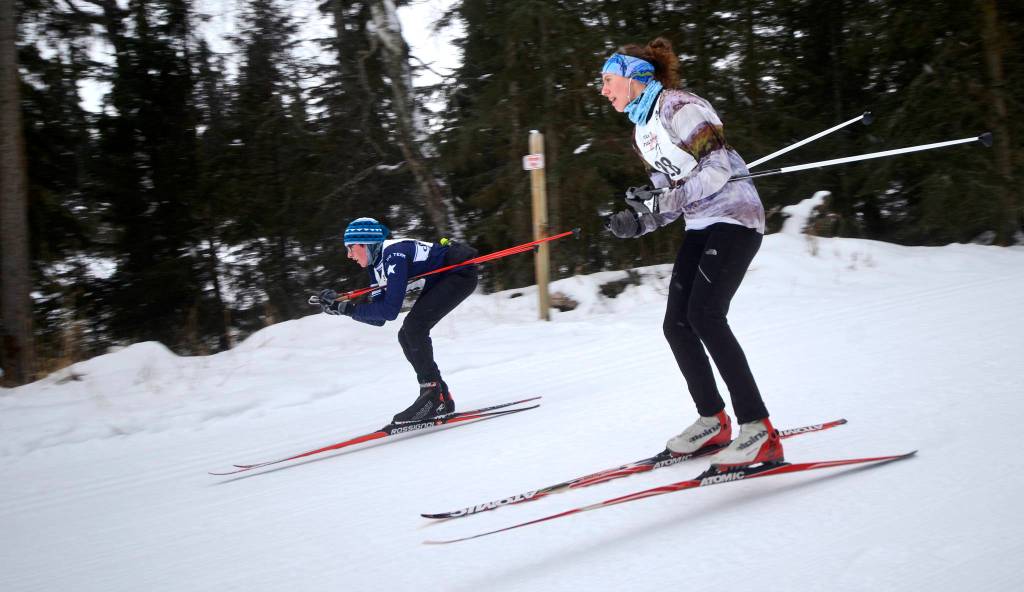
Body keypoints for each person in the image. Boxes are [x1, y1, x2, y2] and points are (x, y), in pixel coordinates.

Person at [600, 38, 782, 469]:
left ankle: (759, 430)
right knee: (677, 324)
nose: (603, 90)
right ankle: (713, 421)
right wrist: (640, 220)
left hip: (735, 217)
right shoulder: (643, 130)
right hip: (701, 223)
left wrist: (661, 203)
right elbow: (669, 194)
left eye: (608, 80)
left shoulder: (679, 107)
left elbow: (717, 169)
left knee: (705, 315)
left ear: (634, 76)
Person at [318, 217, 479, 423]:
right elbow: (379, 320)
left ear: (365, 243)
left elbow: (390, 311)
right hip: (443, 279)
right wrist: (343, 309)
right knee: (406, 334)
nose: (349, 255)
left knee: (414, 328)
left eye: (351, 248)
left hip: (459, 274)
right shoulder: (376, 266)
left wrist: (348, 308)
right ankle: (440, 397)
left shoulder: (393, 254)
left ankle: (434, 397)